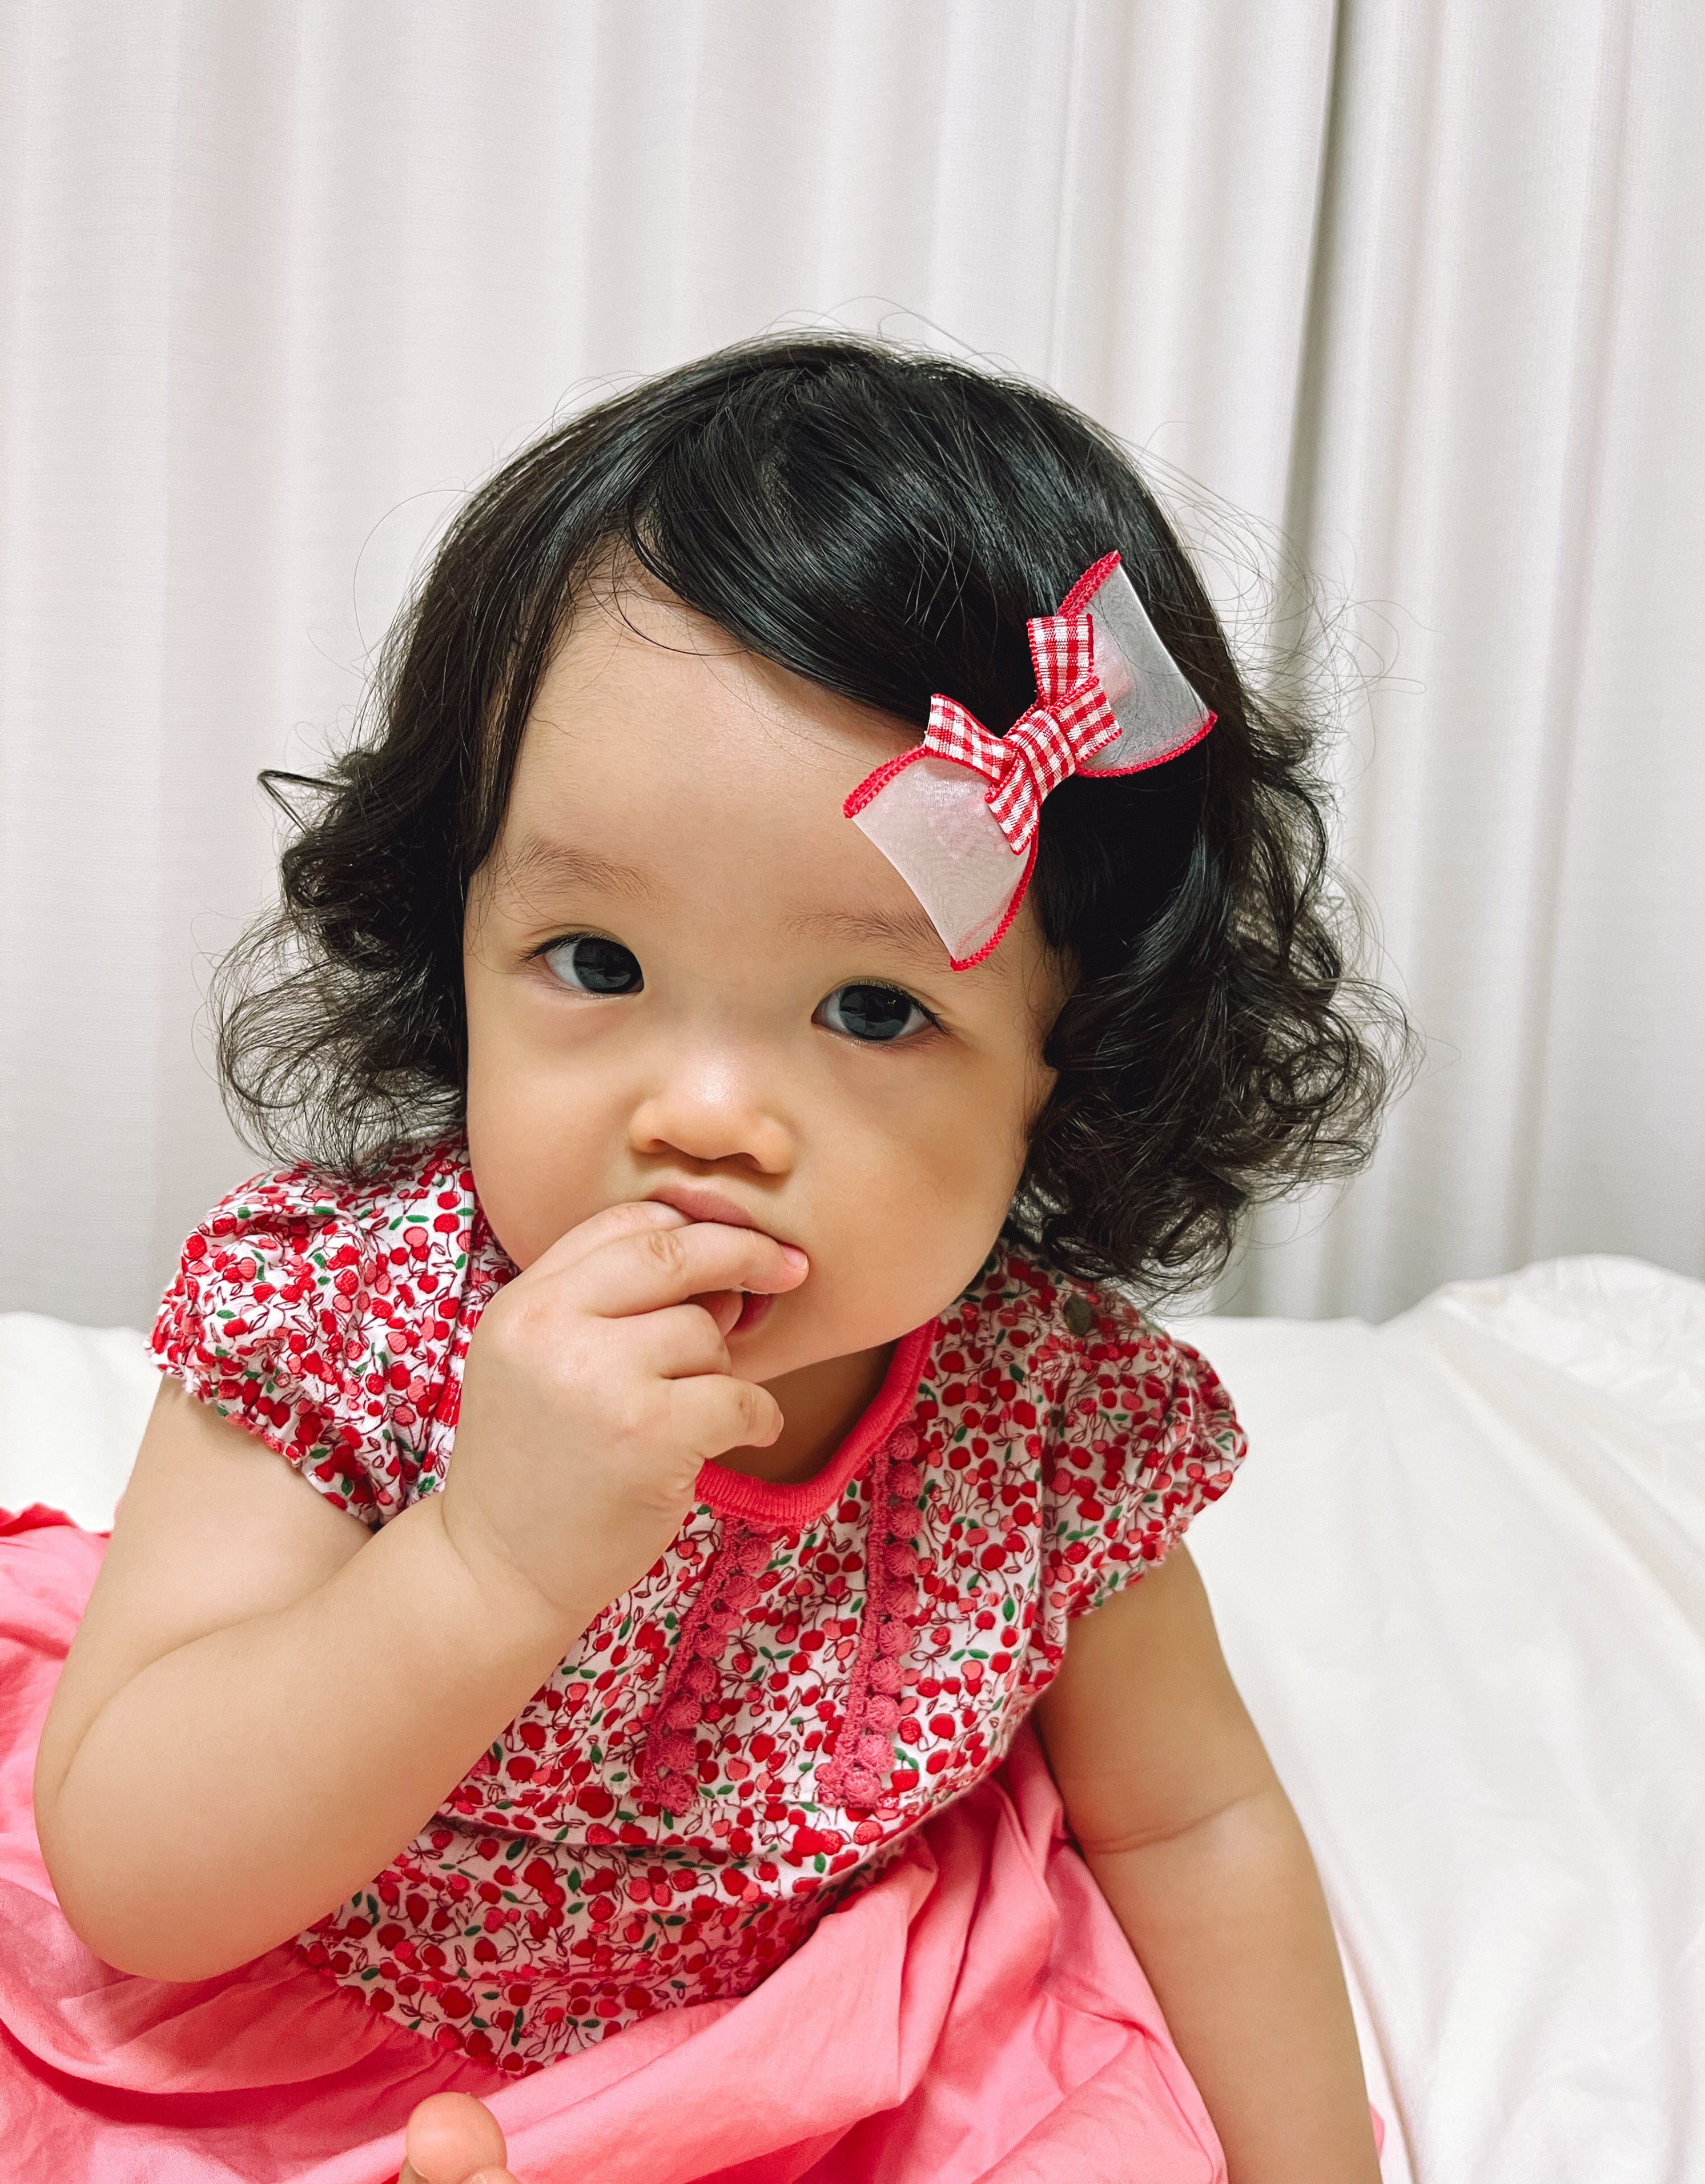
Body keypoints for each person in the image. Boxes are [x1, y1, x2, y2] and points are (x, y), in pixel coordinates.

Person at [13, 336, 1401, 2183]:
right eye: (597, 964)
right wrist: (488, 1562)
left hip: (803, 2055)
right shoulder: (347, 1331)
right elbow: (136, 1878)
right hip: (309, 2007)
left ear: (1073, 1068)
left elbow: (1188, 1826)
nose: (709, 1115)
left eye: (872, 1007)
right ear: (455, 946)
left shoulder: (1045, 1436)